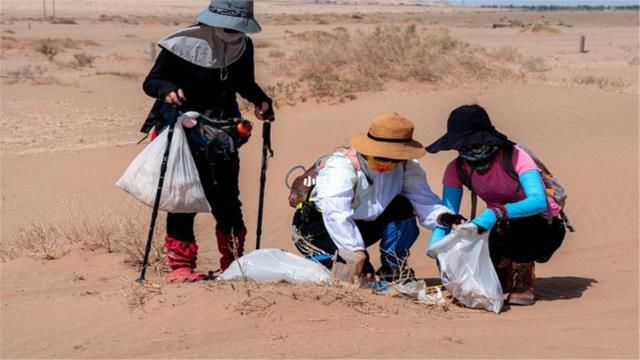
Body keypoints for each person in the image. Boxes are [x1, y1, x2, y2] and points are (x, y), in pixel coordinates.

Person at [142, 0, 274, 283]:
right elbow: (151, 82)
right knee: (183, 198)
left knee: (227, 201)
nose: (233, 31)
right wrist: (167, 90)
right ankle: (181, 268)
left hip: (223, 132)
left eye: (238, 27)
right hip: (182, 132)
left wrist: (261, 101)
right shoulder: (183, 44)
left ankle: (234, 265)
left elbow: (244, 82)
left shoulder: (243, 45)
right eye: (229, 26)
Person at [291, 112, 464, 283]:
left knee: (402, 206)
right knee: (351, 279)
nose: (385, 165)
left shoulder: (406, 167)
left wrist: (445, 217)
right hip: (318, 228)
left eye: (392, 160)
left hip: (361, 225)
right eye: (379, 158)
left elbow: (424, 200)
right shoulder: (341, 167)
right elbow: (336, 213)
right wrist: (356, 252)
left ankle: (393, 270)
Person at [426, 104, 566, 305]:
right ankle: (504, 269)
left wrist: (494, 213)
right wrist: (438, 245)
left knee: (520, 223)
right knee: (476, 251)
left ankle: (524, 276)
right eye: (462, 146)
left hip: (542, 226)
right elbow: (448, 212)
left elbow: (537, 201)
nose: (469, 151)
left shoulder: (516, 156)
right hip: (499, 225)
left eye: (474, 144)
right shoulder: (456, 169)